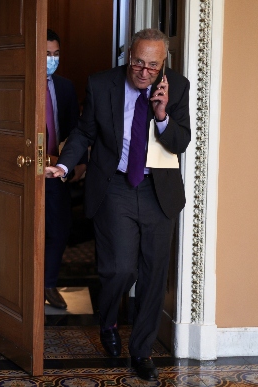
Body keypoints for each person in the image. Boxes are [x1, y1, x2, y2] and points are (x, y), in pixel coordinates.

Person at [45, 28, 191, 380]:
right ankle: (108, 320)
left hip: (159, 190)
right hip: (116, 187)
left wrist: (161, 115)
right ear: (129, 56)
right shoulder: (101, 84)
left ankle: (141, 352)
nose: (143, 71)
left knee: (154, 275)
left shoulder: (178, 86)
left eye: (152, 66)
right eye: (137, 62)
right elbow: (84, 132)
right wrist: (65, 164)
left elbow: (180, 141)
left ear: (163, 63)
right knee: (120, 269)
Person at [43, 29, 87, 309]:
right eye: (47, 54)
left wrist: (78, 164)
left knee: (59, 229)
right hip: (26, 167)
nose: (52, 59)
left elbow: (75, 130)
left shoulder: (65, 87)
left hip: (56, 170)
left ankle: (48, 284)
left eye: (56, 54)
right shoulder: (19, 84)